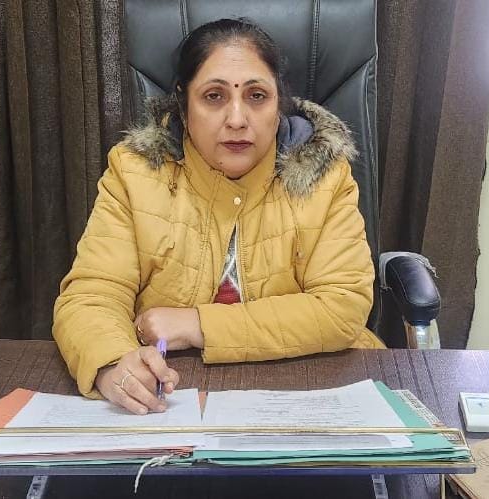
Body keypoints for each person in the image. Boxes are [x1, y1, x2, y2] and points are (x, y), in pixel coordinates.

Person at [52, 18, 384, 415]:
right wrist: (111, 363)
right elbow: (93, 295)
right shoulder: (136, 172)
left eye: (257, 96)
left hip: (317, 384)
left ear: (279, 103)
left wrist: (197, 325)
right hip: (174, 389)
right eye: (214, 96)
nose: (237, 119)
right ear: (183, 103)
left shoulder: (324, 176)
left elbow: (342, 306)